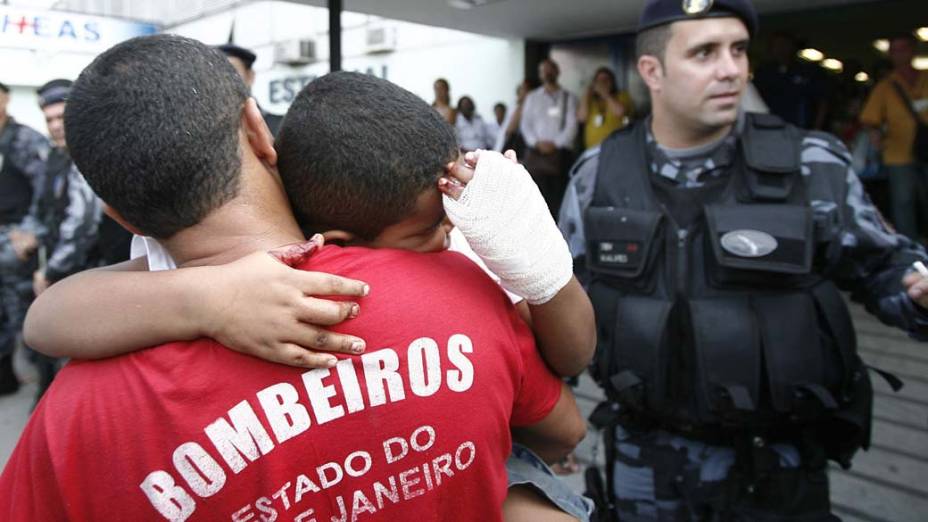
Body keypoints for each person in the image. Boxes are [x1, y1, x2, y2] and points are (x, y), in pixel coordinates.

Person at [2, 35, 592, 521]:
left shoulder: (72, 420)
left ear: (119, 216)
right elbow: (564, 430)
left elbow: (45, 319)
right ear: (259, 131)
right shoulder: (456, 287)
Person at [558, 0, 928, 520]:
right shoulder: (599, 175)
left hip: (779, 462)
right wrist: (545, 417)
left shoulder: (810, 163)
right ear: (652, 72)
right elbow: (557, 299)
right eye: (705, 52)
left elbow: (885, 268)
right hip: (645, 462)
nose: (731, 68)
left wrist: (916, 287)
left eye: (738, 50)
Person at [29, 79, 101, 401]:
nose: (57, 126)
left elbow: (81, 226)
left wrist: (50, 272)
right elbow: (46, 210)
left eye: (62, 118)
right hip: (61, 266)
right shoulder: (54, 156)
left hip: (88, 271)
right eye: (50, 120)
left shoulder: (87, 156)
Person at [0, 81, 50, 395]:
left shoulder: (26, 140)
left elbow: (47, 192)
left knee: (26, 316)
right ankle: (7, 378)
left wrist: (30, 230)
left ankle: (46, 386)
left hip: (16, 242)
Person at [859, 33, 928, 243]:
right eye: (894, 50)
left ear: (913, 50)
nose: (899, 54)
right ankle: (911, 251)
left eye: (903, 48)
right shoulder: (886, 86)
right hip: (898, 153)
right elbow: (870, 119)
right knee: (904, 202)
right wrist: (875, 136)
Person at [521, 60, 579, 216]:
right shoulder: (532, 97)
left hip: (560, 156)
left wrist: (555, 144)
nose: (547, 73)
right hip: (537, 155)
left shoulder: (569, 97)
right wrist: (536, 143)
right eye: (543, 70)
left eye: (550, 70)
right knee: (535, 197)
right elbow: (525, 124)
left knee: (558, 198)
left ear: (557, 72)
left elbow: (572, 125)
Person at [753, 32, 828, 130]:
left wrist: (816, 129)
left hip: (799, 129)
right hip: (768, 127)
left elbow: (822, 102)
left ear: (793, 47)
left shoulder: (807, 72)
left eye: (784, 45)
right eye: (776, 45)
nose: (780, 49)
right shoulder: (764, 72)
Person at [218, 43, 284, 136]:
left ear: (250, 76)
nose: (224, 78)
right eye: (218, 73)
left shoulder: (280, 127)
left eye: (231, 71)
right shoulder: (209, 130)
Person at [577, 67, 634, 150]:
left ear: (612, 82)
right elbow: (581, 118)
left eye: (606, 79)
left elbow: (620, 112)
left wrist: (606, 94)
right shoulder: (590, 99)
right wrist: (587, 94)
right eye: (599, 80)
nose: (602, 82)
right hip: (593, 149)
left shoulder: (622, 95)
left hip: (617, 147)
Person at [495, 81, 530, 156]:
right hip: (507, 139)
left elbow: (512, 129)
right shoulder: (514, 105)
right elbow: (509, 128)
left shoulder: (526, 106)